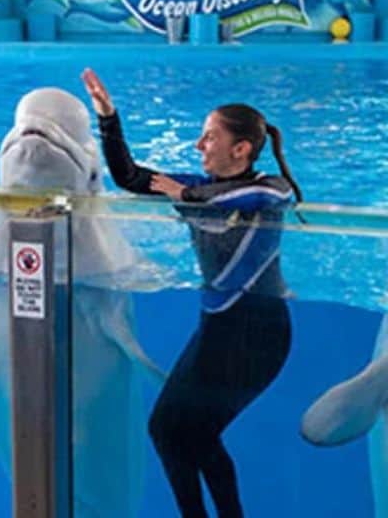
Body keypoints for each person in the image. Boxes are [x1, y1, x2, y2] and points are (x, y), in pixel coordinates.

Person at [81, 68, 301, 518]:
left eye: (209, 137)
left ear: (241, 149)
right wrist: (108, 117)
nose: (199, 146)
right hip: (218, 329)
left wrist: (185, 195)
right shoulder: (201, 187)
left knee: (179, 430)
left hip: (259, 336)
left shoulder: (269, 188)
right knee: (177, 432)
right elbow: (128, 176)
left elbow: (256, 202)